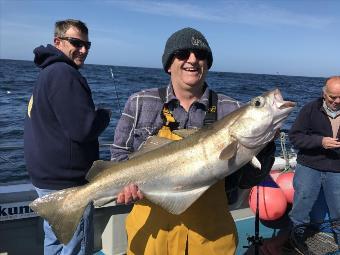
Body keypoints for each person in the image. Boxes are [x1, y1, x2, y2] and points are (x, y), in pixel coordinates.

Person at [110, 27, 275, 255]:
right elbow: (119, 156)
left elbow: (248, 180)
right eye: (183, 54)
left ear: (207, 64)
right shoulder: (140, 102)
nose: (193, 60)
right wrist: (126, 188)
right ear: (169, 64)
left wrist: (265, 146)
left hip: (211, 237)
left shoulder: (231, 108)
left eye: (201, 55)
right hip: (151, 235)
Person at [24, 19, 111, 255]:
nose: (83, 50)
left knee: (55, 241)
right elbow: (83, 129)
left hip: (46, 181)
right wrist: (103, 115)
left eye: (87, 45)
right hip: (68, 184)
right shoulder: (64, 74)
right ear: (58, 41)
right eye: (76, 43)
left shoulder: (47, 72)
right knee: (75, 246)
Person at [288, 76, 340, 247]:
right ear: (324, 94)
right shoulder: (310, 109)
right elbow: (295, 137)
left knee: (339, 212)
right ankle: (296, 241)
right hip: (309, 165)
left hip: (337, 169)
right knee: (301, 207)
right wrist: (320, 142)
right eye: (333, 97)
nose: (337, 101)